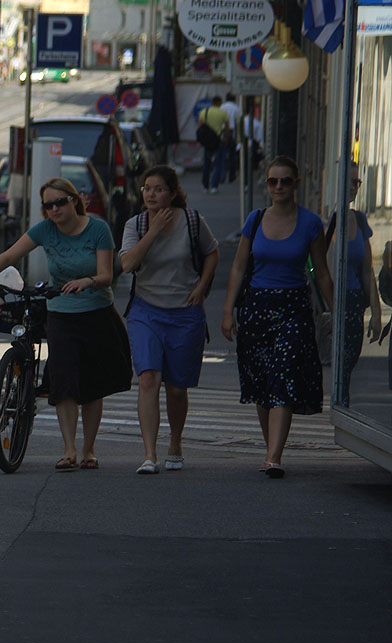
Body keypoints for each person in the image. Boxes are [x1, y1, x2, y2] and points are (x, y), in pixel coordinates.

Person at [0, 177, 132, 471]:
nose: (54, 209)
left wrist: (87, 281)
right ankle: (69, 450)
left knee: (93, 386)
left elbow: (108, 275)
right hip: (60, 313)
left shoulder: (97, 229)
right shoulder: (45, 230)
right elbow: (9, 255)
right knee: (64, 381)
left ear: (74, 200)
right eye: (48, 205)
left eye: (60, 202)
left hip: (96, 311)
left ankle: (88, 450)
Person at [221, 156, 334, 479]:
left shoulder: (311, 223)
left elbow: (322, 272)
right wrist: (228, 311)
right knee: (261, 383)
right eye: (273, 181)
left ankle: (274, 456)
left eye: (285, 181)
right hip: (256, 306)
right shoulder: (255, 220)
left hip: (294, 308)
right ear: (267, 184)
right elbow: (239, 267)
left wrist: (334, 312)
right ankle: (271, 445)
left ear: (296, 183)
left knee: (283, 376)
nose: (279, 187)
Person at [120, 165, 220, 474]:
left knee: (176, 387)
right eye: (146, 188)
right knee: (148, 378)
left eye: (158, 189)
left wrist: (202, 287)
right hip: (146, 309)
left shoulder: (192, 221)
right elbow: (127, 265)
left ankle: (175, 442)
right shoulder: (135, 224)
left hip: (184, 311)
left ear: (173, 192)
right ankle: (149, 454)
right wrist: (152, 232)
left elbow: (212, 252)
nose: (151, 194)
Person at [324, 163, 382, 404]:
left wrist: (376, 311)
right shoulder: (326, 220)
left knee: (349, 362)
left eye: (357, 182)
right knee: (336, 364)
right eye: (349, 182)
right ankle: (339, 406)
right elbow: (315, 268)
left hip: (354, 304)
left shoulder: (359, 220)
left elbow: (367, 270)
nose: (354, 188)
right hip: (332, 303)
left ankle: (341, 405)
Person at [198, 96, 230, 194]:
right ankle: (214, 186)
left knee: (206, 164)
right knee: (218, 164)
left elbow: (200, 127)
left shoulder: (204, 112)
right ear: (220, 102)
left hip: (207, 142)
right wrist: (226, 139)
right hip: (218, 141)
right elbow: (227, 128)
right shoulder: (223, 113)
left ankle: (205, 186)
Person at [221, 93, 242, 182]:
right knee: (232, 155)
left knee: (223, 154)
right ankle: (231, 176)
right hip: (233, 131)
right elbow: (239, 121)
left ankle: (222, 176)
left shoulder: (222, 107)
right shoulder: (237, 108)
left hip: (223, 131)